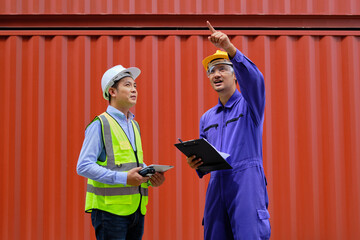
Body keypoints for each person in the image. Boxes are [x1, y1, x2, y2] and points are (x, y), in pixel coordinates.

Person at [186, 21, 271, 240]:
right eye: (212, 71)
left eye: (223, 68)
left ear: (235, 75)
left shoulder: (250, 105)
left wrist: (229, 48)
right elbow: (207, 158)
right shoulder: (207, 118)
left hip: (246, 184)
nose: (216, 74)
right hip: (216, 187)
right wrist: (197, 163)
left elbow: (255, 80)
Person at [77, 65, 165, 240]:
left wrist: (150, 175)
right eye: (127, 85)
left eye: (135, 86)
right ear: (112, 91)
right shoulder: (100, 124)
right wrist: (124, 178)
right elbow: (83, 166)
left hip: (136, 209)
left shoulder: (134, 124)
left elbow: (130, 163)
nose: (134, 90)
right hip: (110, 212)